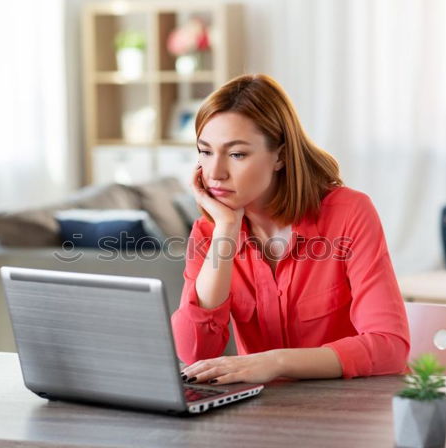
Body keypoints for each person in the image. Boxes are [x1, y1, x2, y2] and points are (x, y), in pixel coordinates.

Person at [171, 73, 410, 385]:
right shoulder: (210, 233)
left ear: (280, 156)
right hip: (268, 414)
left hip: (351, 408)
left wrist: (277, 362)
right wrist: (225, 232)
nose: (215, 172)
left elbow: (389, 347)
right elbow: (194, 352)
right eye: (205, 151)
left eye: (236, 154)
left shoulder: (349, 214)